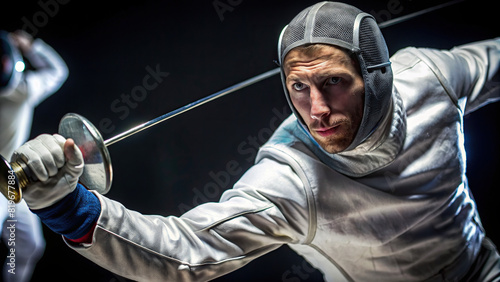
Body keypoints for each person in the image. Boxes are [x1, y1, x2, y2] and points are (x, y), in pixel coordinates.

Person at [8, 1, 500, 281]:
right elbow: (187, 250)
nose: (317, 110)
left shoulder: (431, 75)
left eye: (332, 82)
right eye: (299, 89)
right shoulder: (294, 177)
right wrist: (67, 205)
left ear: (377, 76)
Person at [0, 30, 68, 281]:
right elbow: (57, 70)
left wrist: (30, 47)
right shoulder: (24, 89)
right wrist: (31, 47)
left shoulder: (23, 89)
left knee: (29, 246)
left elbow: (58, 73)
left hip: (10, 182)